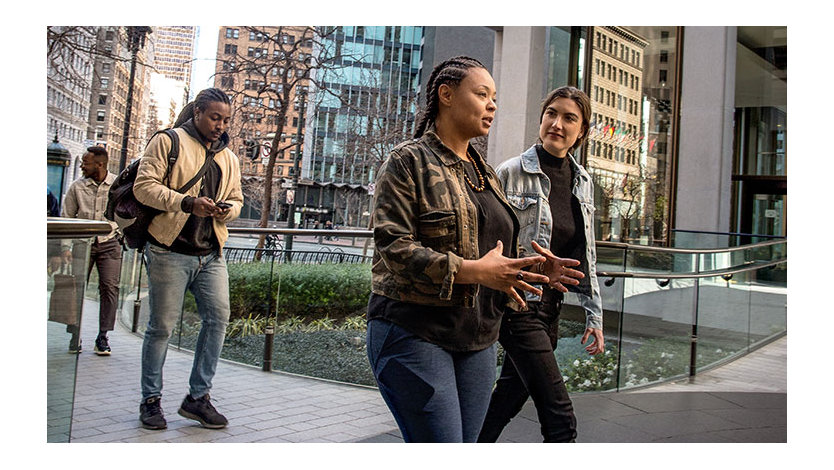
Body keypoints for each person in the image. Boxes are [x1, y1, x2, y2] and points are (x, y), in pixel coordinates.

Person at [367, 56, 578, 443]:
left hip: (477, 339)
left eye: (494, 98)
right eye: (482, 94)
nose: (492, 105)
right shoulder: (407, 161)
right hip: (414, 331)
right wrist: (472, 271)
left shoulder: (486, 173)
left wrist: (531, 271)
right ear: (446, 95)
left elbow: (493, 253)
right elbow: (394, 249)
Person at [478, 86, 605, 443]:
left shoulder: (583, 183)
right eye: (552, 113)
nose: (557, 124)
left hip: (551, 309)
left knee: (506, 400)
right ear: (541, 118)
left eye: (569, 118)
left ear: (582, 131)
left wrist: (594, 316)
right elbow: (487, 244)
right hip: (518, 306)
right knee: (561, 418)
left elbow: (587, 254)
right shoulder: (510, 172)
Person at [133, 88, 243, 430]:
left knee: (218, 320)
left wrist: (227, 211)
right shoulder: (168, 141)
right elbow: (143, 187)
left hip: (211, 254)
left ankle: (198, 398)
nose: (220, 125)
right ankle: (150, 401)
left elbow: (237, 199)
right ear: (197, 113)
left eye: (226, 120)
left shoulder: (229, 157)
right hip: (169, 251)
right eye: (214, 117)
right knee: (161, 328)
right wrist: (187, 203)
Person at [61, 146, 122, 355]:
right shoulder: (77, 187)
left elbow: (126, 213)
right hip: (82, 243)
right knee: (77, 288)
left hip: (110, 243)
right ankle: (75, 334)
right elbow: (67, 217)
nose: (82, 166)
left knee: (110, 288)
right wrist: (65, 248)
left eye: (85, 163)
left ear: (100, 165)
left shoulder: (116, 186)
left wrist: (120, 234)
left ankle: (103, 336)